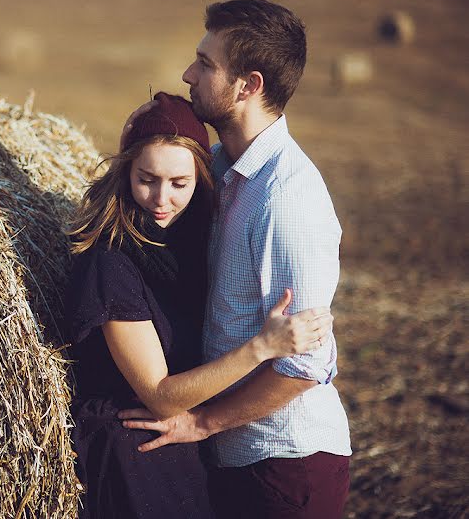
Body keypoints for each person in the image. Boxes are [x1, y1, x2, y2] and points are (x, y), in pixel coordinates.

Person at [119, 0, 352, 519]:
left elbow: (303, 365)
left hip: (286, 467)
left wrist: (200, 423)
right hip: (237, 460)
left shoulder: (286, 199)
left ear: (248, 85)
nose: (188, 74)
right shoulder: (222, 169)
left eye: (205, 64)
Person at [64, 92, 333, 519]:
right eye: (146, 178)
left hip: (187, 446)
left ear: (200, 179)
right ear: (126, 171)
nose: (160, 199)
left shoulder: (194, 237)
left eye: (179, 183)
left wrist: (158, 119)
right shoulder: (111, 262)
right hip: (137, 443)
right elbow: (160, 397)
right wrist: (262, 347)